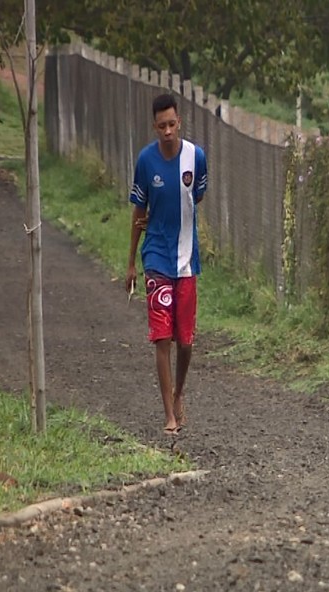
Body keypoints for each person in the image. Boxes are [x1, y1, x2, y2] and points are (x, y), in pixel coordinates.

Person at [127, 93, 208, 435]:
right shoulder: (146, 161)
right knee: (162, 338)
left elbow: (197, 196)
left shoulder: (196, 157)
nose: (167, 131)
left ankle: (179, 393)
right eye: (161, 126)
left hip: (187, 259)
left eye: (172, 124)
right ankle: (168, 414)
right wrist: (131, 261)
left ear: (180, 122)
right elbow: (139, 212)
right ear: (154, 126)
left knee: (185, 340)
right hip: (156, 257)